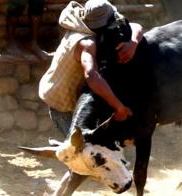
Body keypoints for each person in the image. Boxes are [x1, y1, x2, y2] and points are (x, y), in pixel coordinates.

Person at [38, 0, 143, 136]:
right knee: (80, 149)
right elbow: (92, 76)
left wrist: (133, 43)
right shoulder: (87, 43)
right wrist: (119, 107)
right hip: (61, 104)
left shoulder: (80, 21)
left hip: (62, 92)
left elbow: (135, 26)